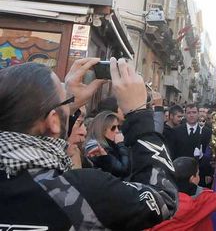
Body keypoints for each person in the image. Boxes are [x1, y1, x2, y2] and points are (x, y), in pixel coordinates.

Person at [0, 57, 178, 229]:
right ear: (53, 121)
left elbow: (49, 143)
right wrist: (138, 114)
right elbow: (163, 198)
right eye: (66, 100)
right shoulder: (83, 190)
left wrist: (66, 108)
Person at [84, 111, 130, 178]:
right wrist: (121, 145)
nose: (117, 131)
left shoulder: (112, 144)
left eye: (118, 127)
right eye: (113, 128)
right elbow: (122, 170)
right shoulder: (94, 146)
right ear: (102, 130)